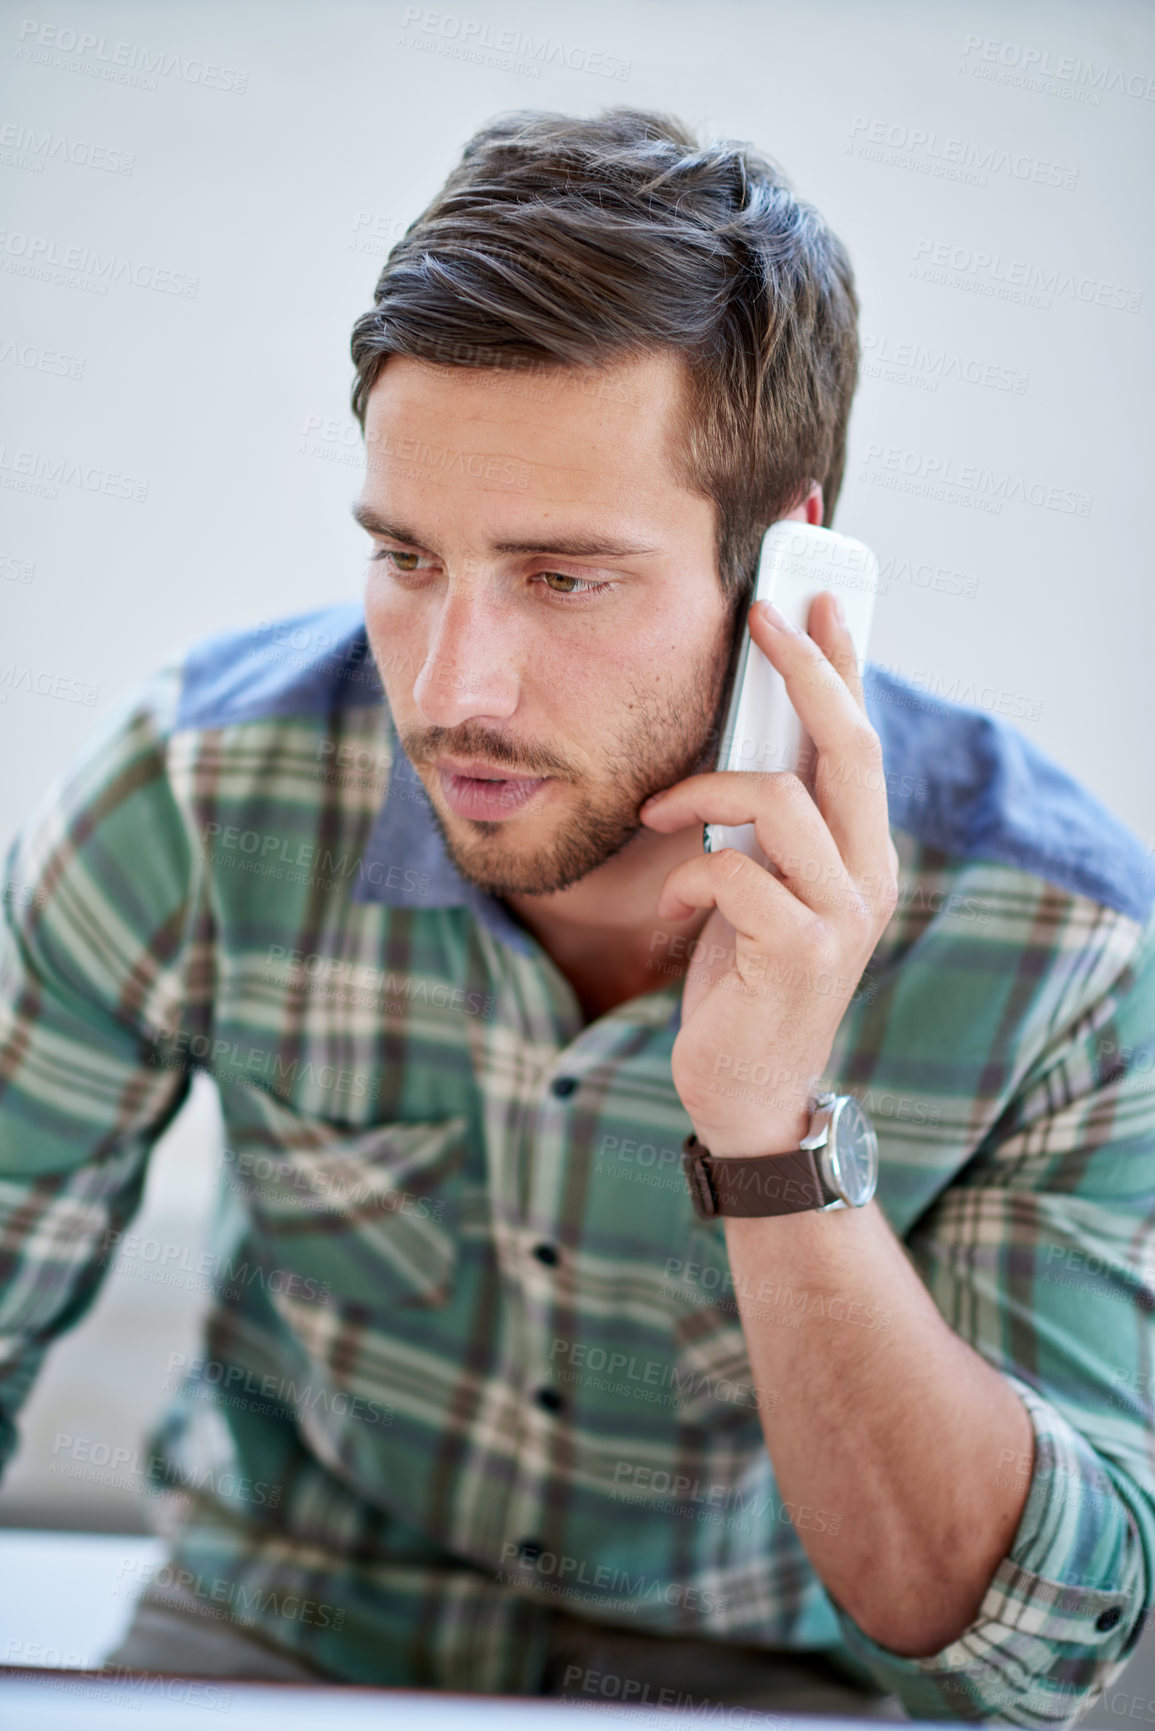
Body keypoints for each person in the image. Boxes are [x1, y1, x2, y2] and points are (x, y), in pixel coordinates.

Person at [0, 106, 1151, 1724]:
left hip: (764, 1689)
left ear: (791, 572)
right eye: (408, 558)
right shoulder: (193, 804)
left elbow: (1037, 1640)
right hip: (285, 1645)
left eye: (565, 577)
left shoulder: (1066, 955)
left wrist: (768, 1134)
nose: (454, 691)